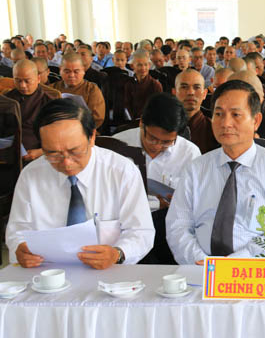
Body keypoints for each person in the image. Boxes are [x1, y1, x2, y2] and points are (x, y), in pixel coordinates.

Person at [6, 98, 154, 268]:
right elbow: (17, 231)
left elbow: (141, 232)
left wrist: (118, 253)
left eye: (74, 151)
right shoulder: (31, 175)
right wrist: (20, 249)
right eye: (53, 154)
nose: (66, 162)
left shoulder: (122, 172)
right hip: (48, 273)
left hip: (109, 273)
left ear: (92, 138)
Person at [166, 80, 265, 263]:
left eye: (236, 115)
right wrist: (201, 262)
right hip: (199, 268)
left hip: (255, 269)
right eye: (218, 114)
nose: (225, 123)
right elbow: (178, 225)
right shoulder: (196, 168)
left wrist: (234, 263)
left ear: (256, 121)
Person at [114, 93, 200, 210]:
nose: (157, 146)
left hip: (169, 215)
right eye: (152, 138)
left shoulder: (189, 154)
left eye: (166, 142)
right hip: (124, 213)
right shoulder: (115, 146)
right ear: (141, 123)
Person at [4, 60, 59, 161]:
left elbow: (60, 138)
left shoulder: (50, 103)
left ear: (38, 78)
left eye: (27, 81)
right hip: (7, 154)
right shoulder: (7, 99)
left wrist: (40, 152)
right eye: (18, 80)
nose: (22, 85)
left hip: (37, 157)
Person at [50, 52, 106, 128]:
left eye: (76, 71)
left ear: (83, 71)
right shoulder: (52, 89)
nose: (71, 75)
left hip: (84, 131)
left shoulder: (91, 89)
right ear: (60, 70)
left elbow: (97, 119)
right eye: (67, 71)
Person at [174, 68, 219, 153]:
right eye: (184, 87)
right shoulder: (163, 127)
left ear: (205, 94)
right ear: (174, 92)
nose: (190, 92)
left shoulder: (214, 129)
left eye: (196, 87)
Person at [123, 51, 163, 119]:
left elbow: (158, 107)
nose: (143, 68)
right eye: (139, 65)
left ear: (149, 65)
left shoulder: (155, 85)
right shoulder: (129, 84)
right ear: (132, 66)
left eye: (146, 65)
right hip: (133, 120)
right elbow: (127, 105)